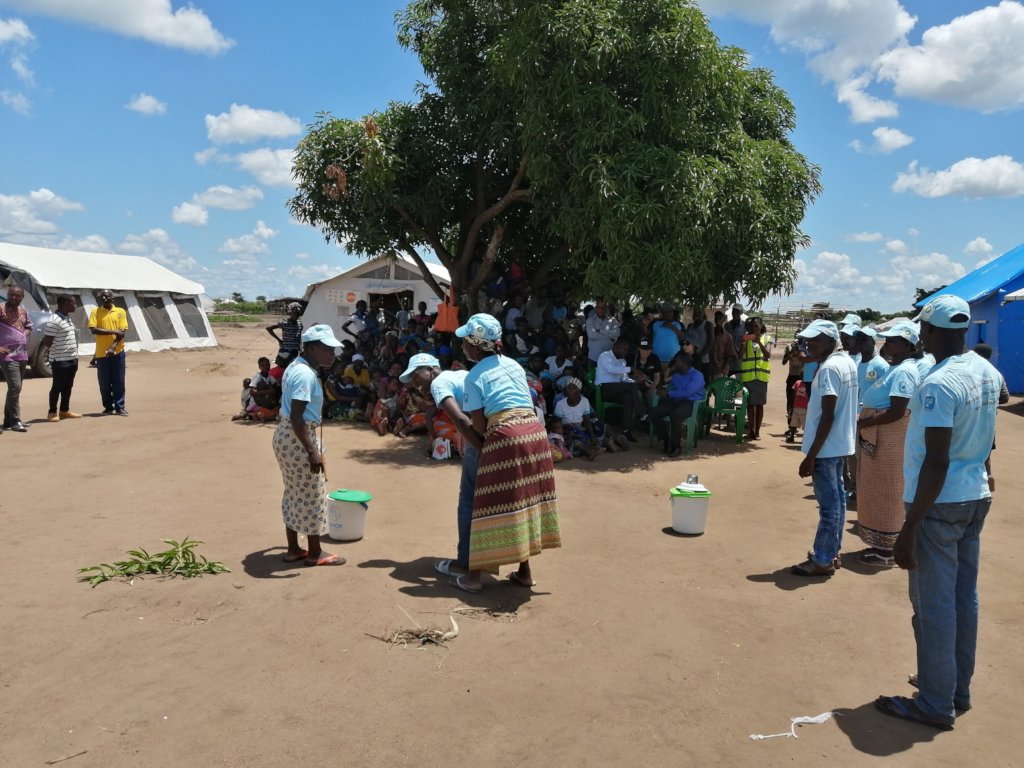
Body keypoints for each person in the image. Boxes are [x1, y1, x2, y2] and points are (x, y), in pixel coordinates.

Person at [875, 295, 1000, 731]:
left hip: (938, 504)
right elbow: (986, 437)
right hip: (974, 497)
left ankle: (934, 702)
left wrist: (909, 528)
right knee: (964, 597)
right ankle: (952, 687)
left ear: (929, 332)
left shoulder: (938, 384)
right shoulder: (987, 372)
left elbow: (937, 459)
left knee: (934, 605)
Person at [453, 313, 560, 593]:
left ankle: (475, 577)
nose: (463, 346)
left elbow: (478, 423)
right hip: (535, 434)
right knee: (522, 501)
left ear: (476, 345)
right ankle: (524, 572)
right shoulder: (513, 364)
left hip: (507, 436)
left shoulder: (474, 376)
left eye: (466, 341)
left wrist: (484, 446)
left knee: (486, 503)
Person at [272, 324, 346, 567]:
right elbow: (297, 417)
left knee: (293, 491)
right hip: (298, 437)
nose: (332, 354)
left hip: (286, 435)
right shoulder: (305, 374)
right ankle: (315, 553)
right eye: (328, 349)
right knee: (312, 494)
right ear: (312, 348)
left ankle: (294, 548)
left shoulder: (296, 366)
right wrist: (312, 452)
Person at [403, 353, 481, 577]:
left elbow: (462, 421)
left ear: (430, 369)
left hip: (481, 439)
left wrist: (480, 448)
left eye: (416, 376)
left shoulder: (439, 384)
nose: (415, 383)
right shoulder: (460, 374)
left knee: (468, 501)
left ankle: (464, 564)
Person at [791, 319, 858, 577]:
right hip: (839, 444)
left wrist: (811, 456)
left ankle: (822, 559)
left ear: (831, 341)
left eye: (816, 339)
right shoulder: (846, 362)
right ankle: (831, 552)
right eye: (808, 339)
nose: (809, 344)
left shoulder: (830, 369)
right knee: (838, 501)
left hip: (826, 448)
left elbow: (828, 415)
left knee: (829, 506)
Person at [853, 322, 919, 567]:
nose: (887, 344)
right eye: (887, 340)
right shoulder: (897, 368)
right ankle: (882, 544)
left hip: (889, 440)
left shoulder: (904, 372)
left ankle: (886, 550)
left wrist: (862, 424)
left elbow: (897, 411)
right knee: (878, 489)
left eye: (893, 340)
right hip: (880, 437)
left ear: (908, 345)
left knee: (887, 490)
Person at [651, 352, 705, 458]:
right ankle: (666, 439)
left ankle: (676, 447)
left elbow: (688, 392)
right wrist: (662, 390)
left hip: (690, 403)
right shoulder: (676, 375)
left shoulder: (697, 375)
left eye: (677, 362)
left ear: (684, 364)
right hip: (676, 400)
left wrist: (669, 393)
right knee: (654, 411)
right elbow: (671, 387)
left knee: (675, 415)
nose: (675, 364)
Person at [595, 338, 647, 442]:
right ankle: (641, 413)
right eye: (625, 349)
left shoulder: (622, 361)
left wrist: (635, 381)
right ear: (616, 348)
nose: (626, 352)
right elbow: (611, 369)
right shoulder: (605, 356)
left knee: (628, 397)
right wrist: (632, 369)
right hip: (604, 389)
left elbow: (624, 379)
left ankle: (626, 430)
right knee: (630, 388)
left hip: (616, 390)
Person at [88, 290, 129, 416]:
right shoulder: (95, 311)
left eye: (107, 296)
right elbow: (93, 330)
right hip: (101, 354)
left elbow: (122, 332)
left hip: (117, 352)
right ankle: (108, 407)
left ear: (113, 298)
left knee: (119, 381)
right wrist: (113, 331)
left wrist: (113, 347)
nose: (104, 298)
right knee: (104, 383)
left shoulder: (120, 312)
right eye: (102, 296)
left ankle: (120, 407)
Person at [42, 294, 82, 422]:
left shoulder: (67, 318)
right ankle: (52, 412)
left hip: (71, 359)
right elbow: (47, 342)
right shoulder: (55, 320)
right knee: (57, 386)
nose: (75, 306)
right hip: (59, 360)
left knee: (68, 386)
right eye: (73, 303)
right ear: (65, 304)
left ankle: (64, 411)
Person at [0, 285, 33, 432]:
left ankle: (8, 421)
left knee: (15, 389)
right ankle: (15, 420)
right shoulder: (1, 309)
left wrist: (23, 335)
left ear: (22, 297)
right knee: (15, 387)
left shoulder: (23, 311)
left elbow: (29, 326)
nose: (13, 297)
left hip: (22, 354)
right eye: (11, 295)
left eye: (17, 295)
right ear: (7, 294)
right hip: (7, 356)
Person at [738, 317, 771, 440]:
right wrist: (743, 344)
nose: (754, 328)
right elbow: (740, 356)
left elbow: (768, 355)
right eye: (752, 326)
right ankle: (751, 431)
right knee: (750, 405)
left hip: (761, 377)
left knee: (760, 405)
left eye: (756, 326)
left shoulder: (767, 338)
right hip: (748, 376)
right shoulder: (746, 339)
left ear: (761, 326)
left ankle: (757, 432)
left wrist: (759, 342)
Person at [584, 299, 620, 369]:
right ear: (596, 308)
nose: (601, 310)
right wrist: (610, 337)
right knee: (592, 379)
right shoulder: (590, 321)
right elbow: (592, 336)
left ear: (606, 308)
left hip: (609, 358)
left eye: (603, 307)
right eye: (599, 307)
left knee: (607, 379)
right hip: (594, 358)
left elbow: (617, 333)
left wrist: (600, 331)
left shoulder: (613, 320)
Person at [649, 303, 686, 370]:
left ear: (672, 312)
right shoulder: (655, 324)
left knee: (671, 379)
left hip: (673, 361)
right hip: (656, 359)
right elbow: (648, 335)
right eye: (664, 312)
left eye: (668, 312)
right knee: (658, 379)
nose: (666, 314)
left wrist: (672, 327)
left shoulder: (679, 324)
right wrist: (644, 325)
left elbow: (684, 338)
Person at [266, 302, 303, 366]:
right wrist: (279, 340)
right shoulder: (284, 323)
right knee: (282, 368)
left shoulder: (300, 324)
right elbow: (269, 328)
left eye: (298, 313)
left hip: (296, 351)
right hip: (285, 351)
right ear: (290, 312)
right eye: (294, 312)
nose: (296, 315)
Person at [781, 335, 805, 419]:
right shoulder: (789, 347)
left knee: (800, 401)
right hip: (791, 377)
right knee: (790, 401)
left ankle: (799, 423)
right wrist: (790, 354)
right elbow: (783, 362)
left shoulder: (805, 348)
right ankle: (790, 424)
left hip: (801, 377)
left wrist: (799, 351)